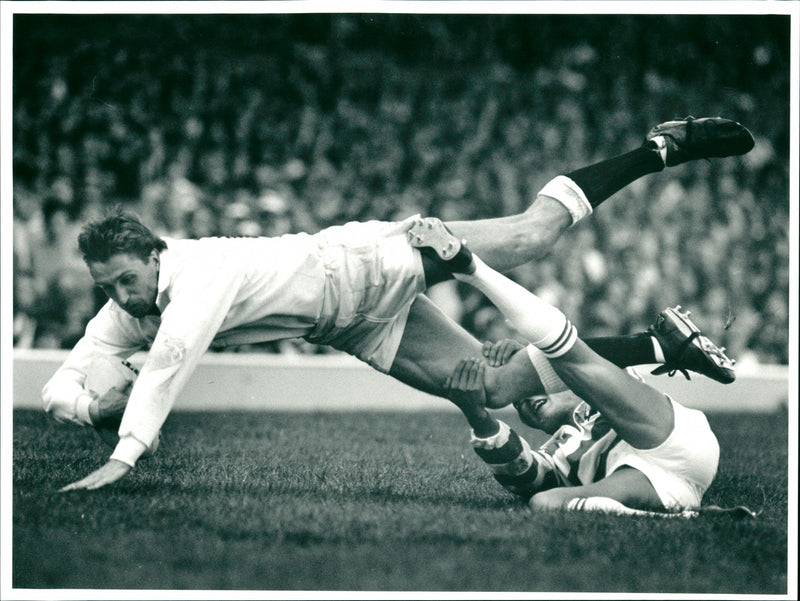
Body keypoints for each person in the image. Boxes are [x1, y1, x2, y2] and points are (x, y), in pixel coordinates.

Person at [44, 116, 754, 492]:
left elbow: (171, 357)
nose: (116, 295)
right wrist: (83, 404)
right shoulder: (127, 308)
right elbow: (66, 377)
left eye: (122, 279)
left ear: (152, 252)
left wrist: (126, 452)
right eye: (105, 287)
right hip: (347, 325)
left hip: (362, 261)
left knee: (533, 235)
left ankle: (657, 148)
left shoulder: (196, 273)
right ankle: (655, 345)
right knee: (495, 385)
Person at [425, 229, 745, 517]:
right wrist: (475, 414)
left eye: (531, 389)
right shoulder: (555, 453)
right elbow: (522, 475)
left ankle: (472, 269)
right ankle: (688, 516)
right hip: (657, 486)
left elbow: (575, 363)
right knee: (543, 502)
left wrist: (523, 362)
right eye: (520, 404)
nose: (526, 400)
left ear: (558, 385)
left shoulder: (598, 392)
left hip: (670, 440)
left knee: (572, 358)